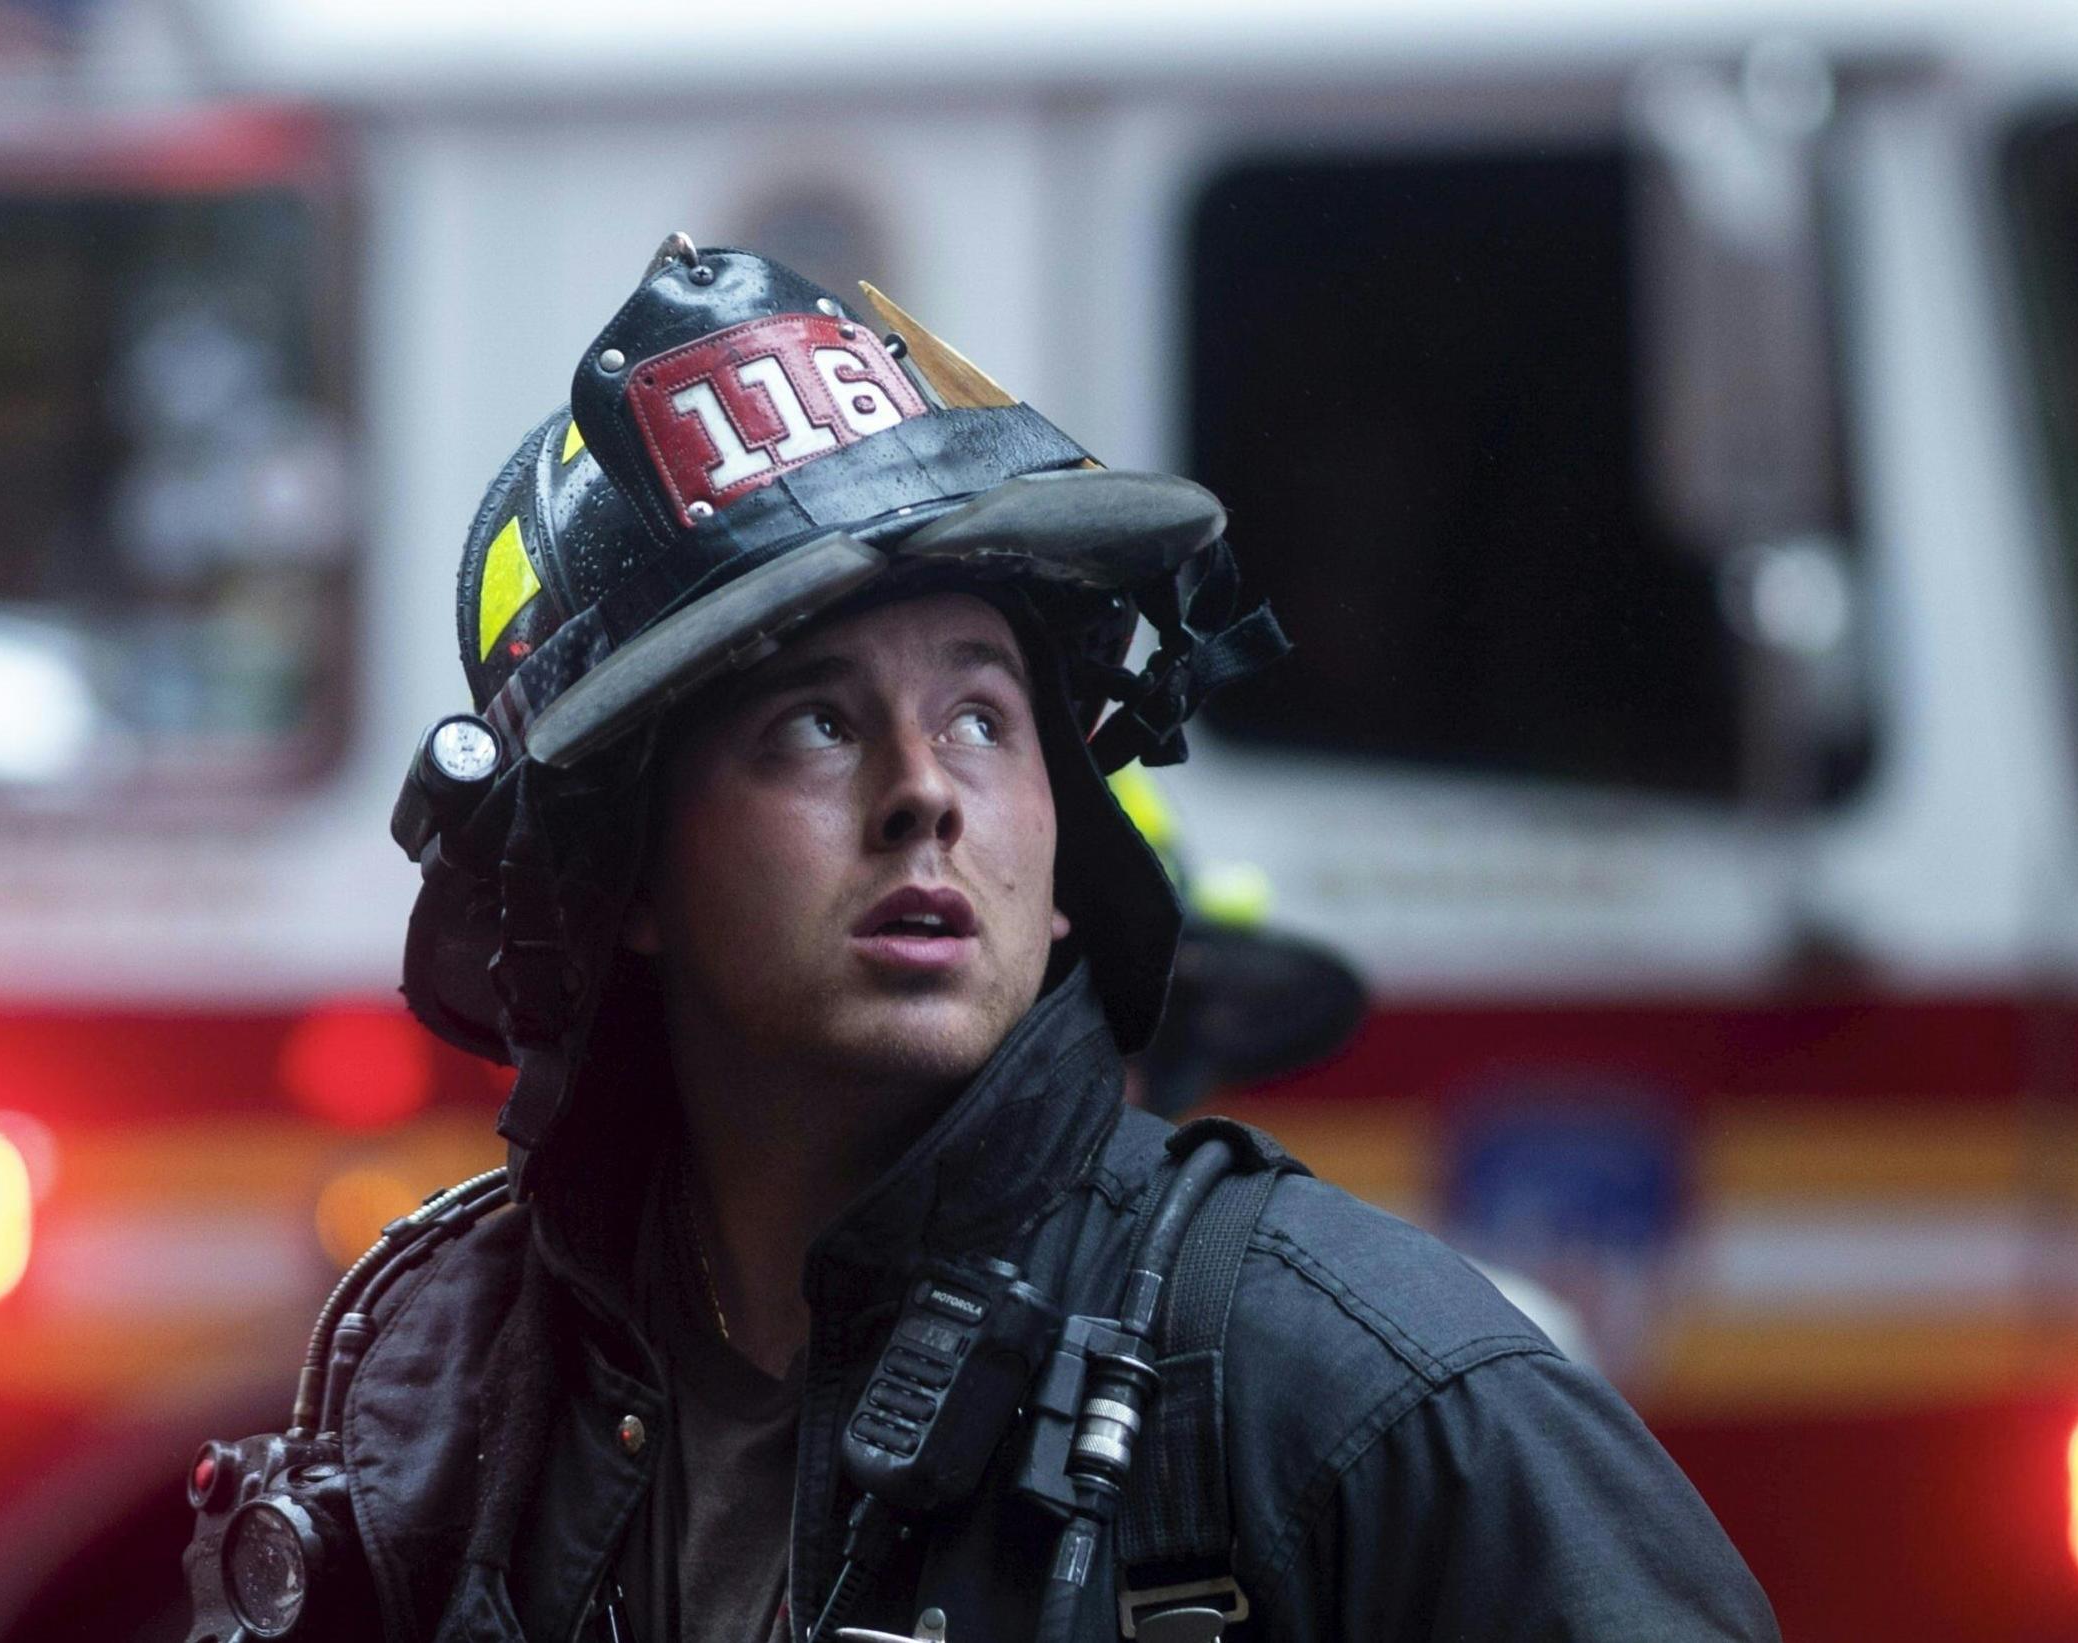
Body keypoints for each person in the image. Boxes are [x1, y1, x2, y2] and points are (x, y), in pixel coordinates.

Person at [185, 236, 1778, 1643]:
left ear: (1067, 848)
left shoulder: (1368, 1406)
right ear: (631, 877)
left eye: (980, 714)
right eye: (814, 724)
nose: (923, 797)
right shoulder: (453, 1385)